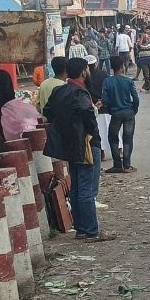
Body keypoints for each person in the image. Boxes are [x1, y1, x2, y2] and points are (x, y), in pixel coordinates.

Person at [42, 57, 115, 242]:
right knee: (87, 189)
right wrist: (93, 134)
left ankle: (82, 229)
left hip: (68, 145)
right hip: (85, 144)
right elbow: (87, 115)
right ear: (83, 72)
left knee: (76, 187)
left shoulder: (59, 91)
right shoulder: (80, 94)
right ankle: (92, 231)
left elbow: (48, 112)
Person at [101, 55, 140, 174]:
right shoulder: (128, 81)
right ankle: (127, 165)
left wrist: (110, 109)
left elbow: (105, 99)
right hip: (128, 112)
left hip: (115, 113)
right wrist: (134, 109)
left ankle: (117, 165)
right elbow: (136, 98)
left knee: (113, 138)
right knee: (128, 138)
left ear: (112, 67)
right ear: (122, 67)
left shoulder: (107, 81)